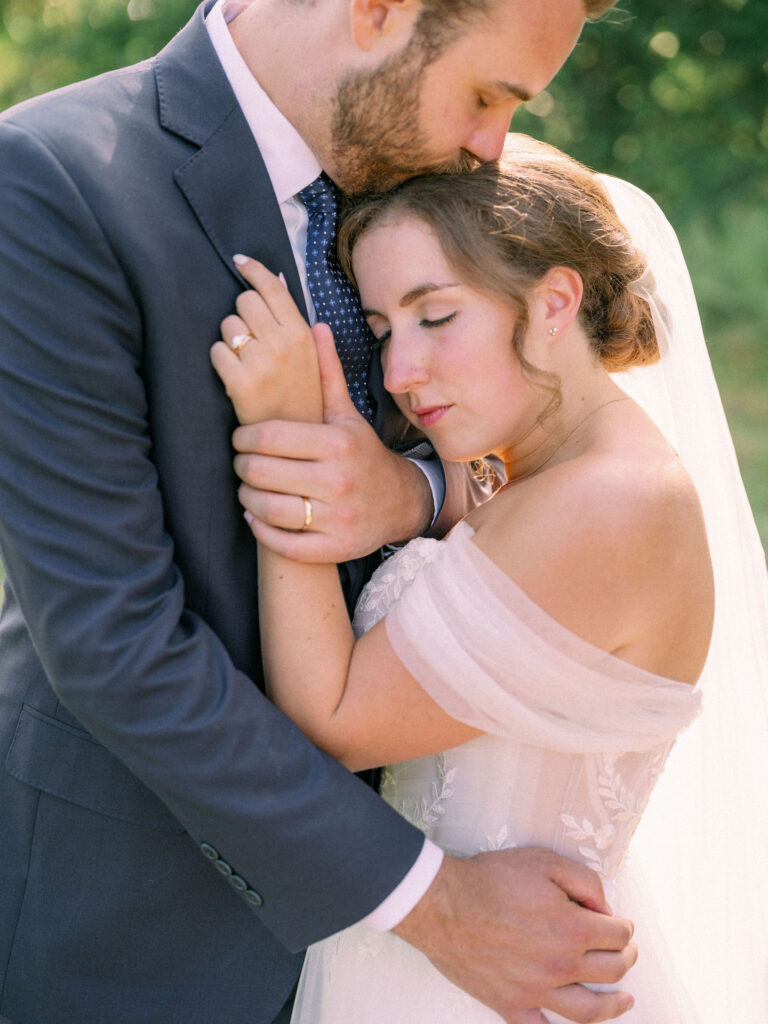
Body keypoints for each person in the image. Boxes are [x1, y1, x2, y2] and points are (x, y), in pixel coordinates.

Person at [0, 2, 641, 1024]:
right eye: (486, 97)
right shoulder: (54, 180)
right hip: (137, 933)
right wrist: (431, 902)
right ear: (377, 12)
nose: (493, 148)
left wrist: (418, 489)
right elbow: (111, 642)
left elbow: (547, 437)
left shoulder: (430, 180)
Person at [212, 134, 768, 1023]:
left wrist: (290, 443)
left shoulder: (609, 504)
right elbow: (473, 522)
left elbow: (338, 722)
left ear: (553, 300)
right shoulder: (536, 465)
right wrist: (412, 495)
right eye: (385, 329)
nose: (400, 374)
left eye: (436, 318)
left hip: (483, 982)